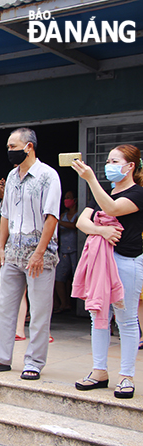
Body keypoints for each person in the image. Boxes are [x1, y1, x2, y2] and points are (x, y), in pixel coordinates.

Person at [0, 127, 61, 380]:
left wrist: (40, 251)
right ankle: (1, 358)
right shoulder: (12, 176)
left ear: (29, 147)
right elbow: (5, 215)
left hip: (39, 253)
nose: (9, 151)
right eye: (8, 147)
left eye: (13, 146)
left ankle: (34, 361)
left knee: (39, 310)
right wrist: (1, 249)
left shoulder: (48, 176)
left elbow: (52, 217)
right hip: (12, 251)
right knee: (5, 307)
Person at [72, 144, 143, 399]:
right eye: (108, 160)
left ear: (130, 166)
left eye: (114, 160)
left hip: (127, 260)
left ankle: (126, 376)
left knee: (126, 318)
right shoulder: (105, 192)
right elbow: (82, 221)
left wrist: (91, 179)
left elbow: (111, 209)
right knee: (98, 315)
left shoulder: (138, 193)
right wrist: (101, 230)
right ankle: (99, 371)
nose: (108, 165)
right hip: (101, 261)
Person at [54, 190, 79, 313]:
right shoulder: (63, 215)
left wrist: (57, 221)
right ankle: (64, 303)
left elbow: (75, 225)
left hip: (76, 250)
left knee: (76, 277)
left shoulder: (79, 214)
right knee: (59, 277)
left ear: (75, 200)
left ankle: (78, 305)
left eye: (68, 198)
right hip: (63, 250)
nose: (66, 200)